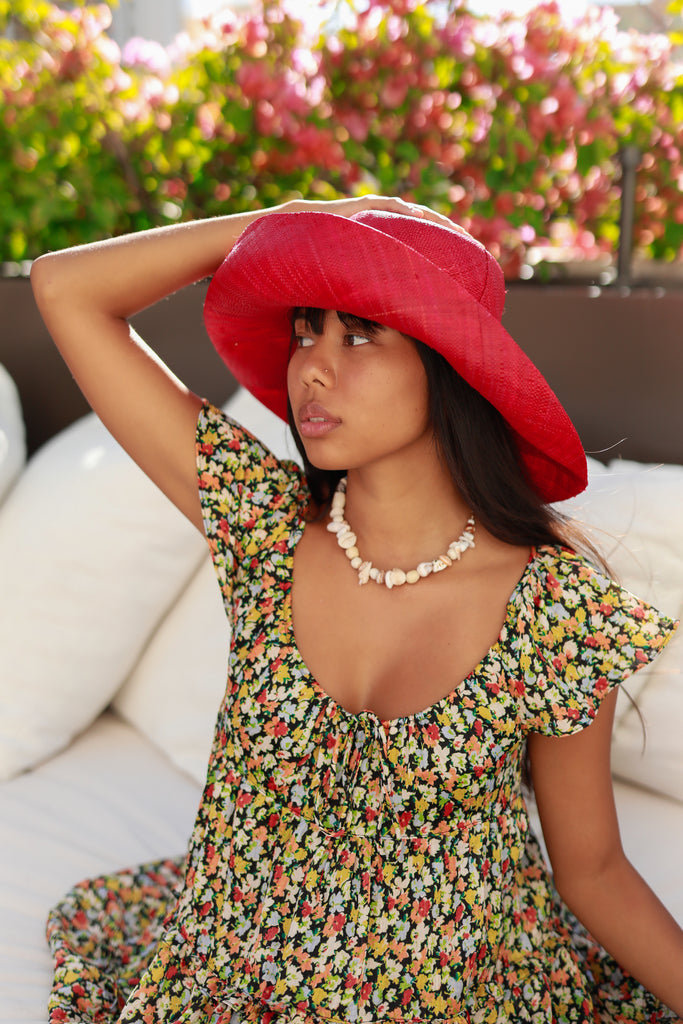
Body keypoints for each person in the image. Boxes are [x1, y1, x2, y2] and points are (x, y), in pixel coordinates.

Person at [31, 195, 683, 1024]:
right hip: (234, 985)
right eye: (306, 328)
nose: (311, 367)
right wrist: (284, 226)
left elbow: (592, 872)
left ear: (449, 364)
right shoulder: (264, 526)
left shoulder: (550, 604)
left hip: (464, 998)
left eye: (360, 334)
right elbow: (65, 289)